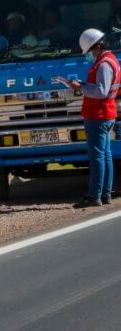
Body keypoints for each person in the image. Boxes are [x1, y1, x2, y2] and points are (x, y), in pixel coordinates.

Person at [63, 28, 120, 208]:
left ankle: (94, 195)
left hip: (98, 115)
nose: (89, 55)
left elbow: (101, 91)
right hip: (104, 114)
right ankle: (105, 193)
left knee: (97, 156)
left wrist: (80, 87)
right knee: (105, 155)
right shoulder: (111, 60)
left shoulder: (103, 64)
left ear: (96, 47)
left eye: (89, 51)